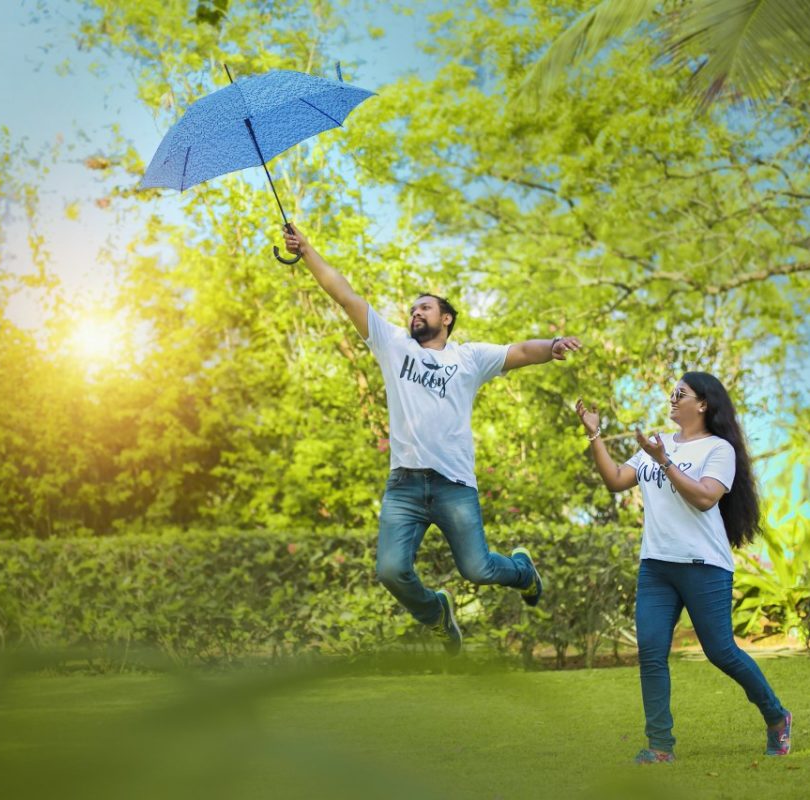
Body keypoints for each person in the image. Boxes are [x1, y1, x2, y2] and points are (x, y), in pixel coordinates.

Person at [283, 224, 581, 654]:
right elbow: (344, 294)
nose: (415, 313)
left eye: (425, 308)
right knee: (390, 571)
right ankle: (436, 614)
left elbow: (517, 352)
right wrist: (307, 251)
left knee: (477, 569)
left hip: (453, 485)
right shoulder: (393, 345)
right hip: (404, 485)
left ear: (447, 319)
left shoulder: (469, 358)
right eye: (413, 309)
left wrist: (551, 345)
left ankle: (522, 572)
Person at [575, 372, 791, 763]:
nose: (672, 398)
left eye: (682, 393)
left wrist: (665, 462)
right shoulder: (658, 442)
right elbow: (616, 479)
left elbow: (706, 498)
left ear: (703, 404)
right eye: (672, 393)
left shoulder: (718, 449)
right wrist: (593, 435)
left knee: (721, 651)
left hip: (703, 565)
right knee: (651, 653)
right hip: (657, 566)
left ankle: (777, 716)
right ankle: (660, 746)